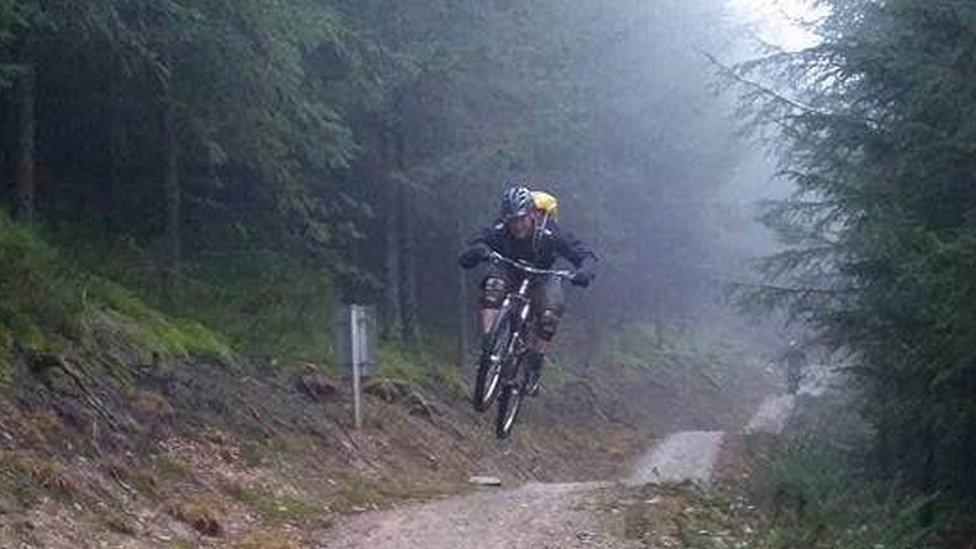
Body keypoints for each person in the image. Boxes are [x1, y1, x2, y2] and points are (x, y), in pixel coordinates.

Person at [458, 185, 596, 396]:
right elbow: (477, 242)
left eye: (521, 219)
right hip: (509, 269)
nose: (517, 226)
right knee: (493, 287)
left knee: (549, 314)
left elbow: (583, 253)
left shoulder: (550, 232)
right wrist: (477, 251)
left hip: (542, 276)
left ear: (532, 214)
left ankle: (534, 367)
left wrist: (585, 271)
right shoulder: (501, 229)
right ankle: (489, 343)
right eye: (512, 220)